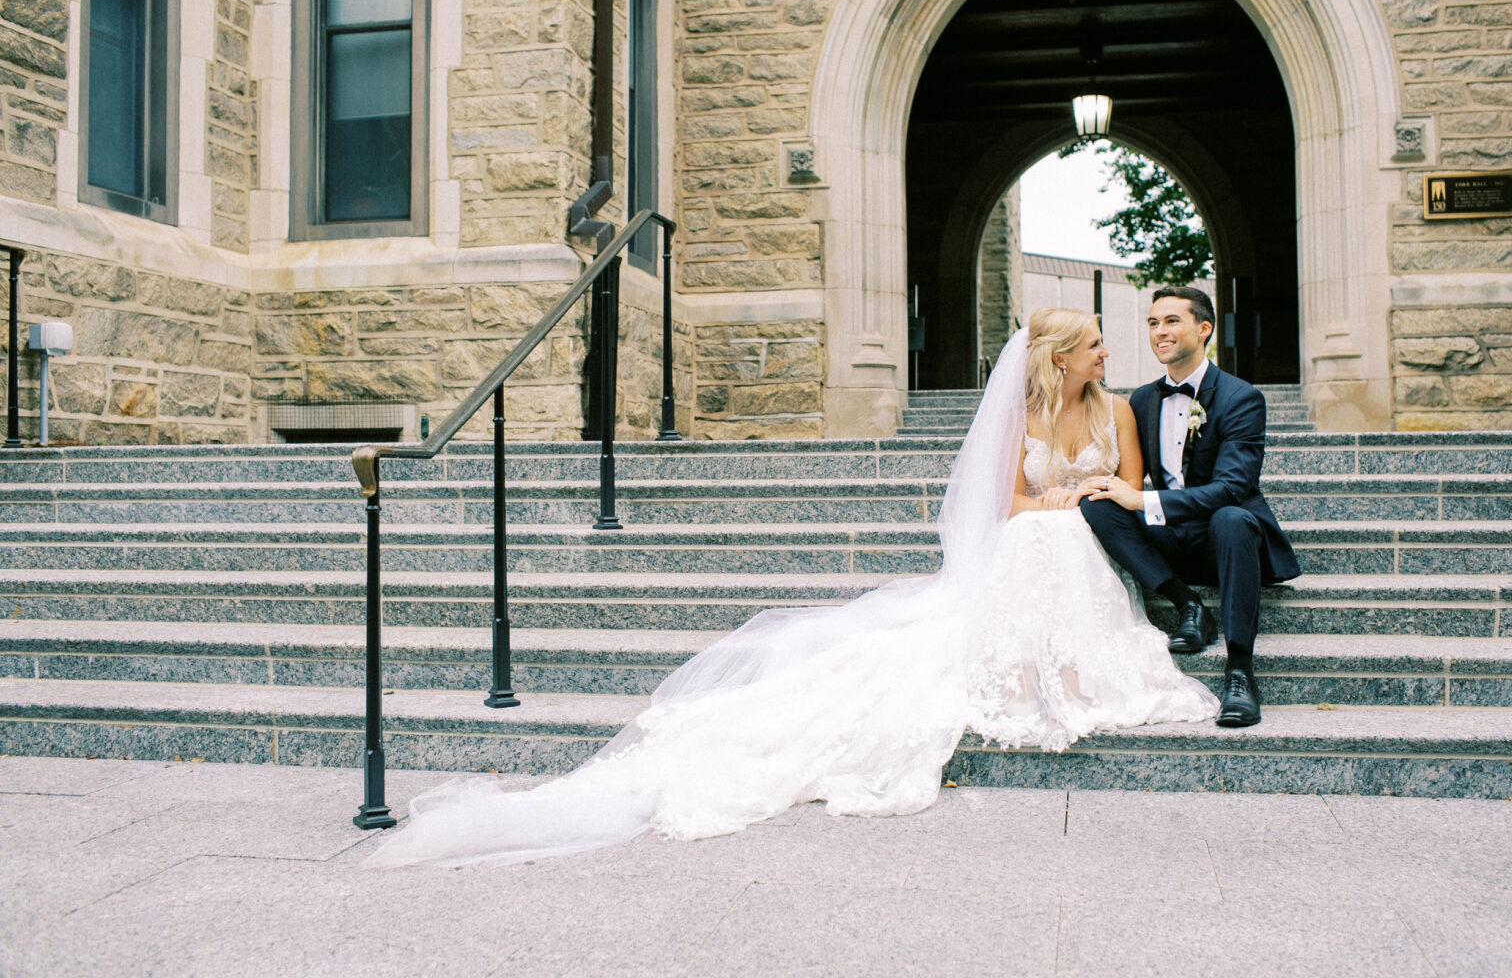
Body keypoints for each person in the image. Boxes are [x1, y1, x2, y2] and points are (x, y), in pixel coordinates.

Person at [365, 308, 1217, 868]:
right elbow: (1010, 502)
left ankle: (1078, 668)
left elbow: (1131, 486)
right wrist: (1059, 501)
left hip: (1095, 533)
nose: (1113, 352)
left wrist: (1084, 498)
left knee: (1061, 533)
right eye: (1099, 342)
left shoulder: (1118, 411)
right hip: (1041, 537)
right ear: (1064, 355)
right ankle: (1054, 671)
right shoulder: (1021, 418)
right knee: (1040, 531)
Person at [1079, 286, 1300, 728]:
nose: (1160, 331)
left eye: (1172, 321)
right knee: (1099, 505)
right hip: (1171, 540)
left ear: (1204, 329)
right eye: (1153, 322)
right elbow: (1123, 472)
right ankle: (1188, 606)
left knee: (1233, 517)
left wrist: (1142, 499)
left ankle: (1239, 670)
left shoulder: (1241, 398)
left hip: (1227, 541)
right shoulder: (1141, 400)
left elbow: (1232, 488)